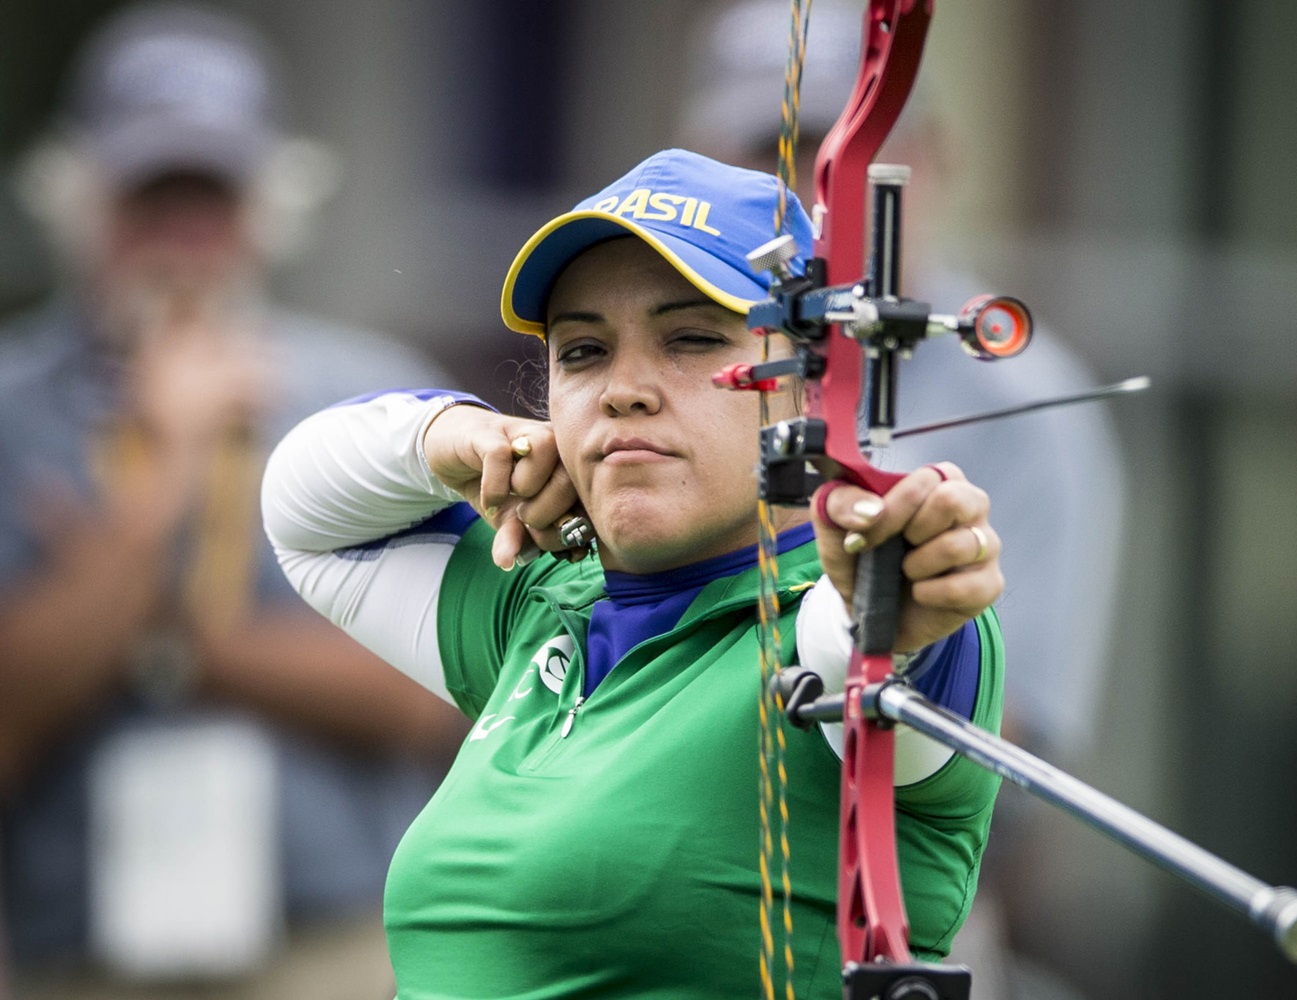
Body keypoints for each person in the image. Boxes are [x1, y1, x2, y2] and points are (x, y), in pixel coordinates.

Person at [261, 147, 1007, 999]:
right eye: (582, 351)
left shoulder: (825, 626)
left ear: (815, 386)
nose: (624, 389)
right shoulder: (540, 600)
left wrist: (898, 583)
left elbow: (868, 637)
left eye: (691, 338)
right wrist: (453, 437)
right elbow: (301, 513)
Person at [0, 5, 467, 997]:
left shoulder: (376, 397)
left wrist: (159, 639)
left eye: (207, 200)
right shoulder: (9, 404)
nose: (179, 240)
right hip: (76, 961)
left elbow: (427, 692)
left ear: (268, 206)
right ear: (76, 196)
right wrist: (170, 463)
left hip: (331, 949)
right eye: (148, 200)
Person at [679, 4, 1129, 997]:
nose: (817, 191)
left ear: (934, 162)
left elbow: (1007, 753)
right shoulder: (670, 369)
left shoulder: (1018, 404)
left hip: (882, 916)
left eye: (862, 151)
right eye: (779, 152)